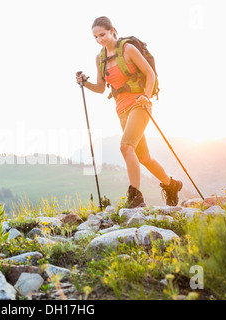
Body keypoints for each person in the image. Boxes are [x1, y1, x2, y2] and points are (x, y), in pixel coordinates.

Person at [76, 16, 183, 208]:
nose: (100, 39)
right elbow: (101, 88)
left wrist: (147, 97)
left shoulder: (128, 49)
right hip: (121, 109)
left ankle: (135, 196)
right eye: (95, 37)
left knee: (125, 147)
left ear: (112, 31)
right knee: (144, 157)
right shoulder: (99, 58)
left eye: (102, 34)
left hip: (139, 104)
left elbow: (150, 73)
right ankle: (171, 185)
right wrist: (85, 82)